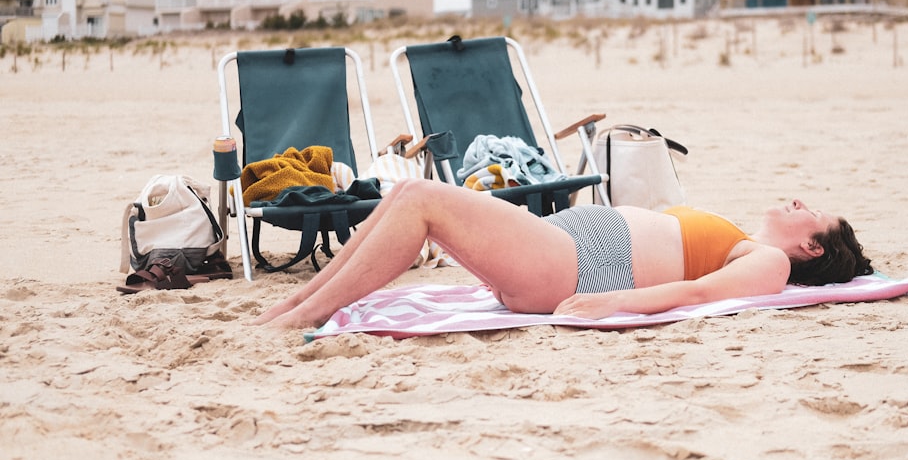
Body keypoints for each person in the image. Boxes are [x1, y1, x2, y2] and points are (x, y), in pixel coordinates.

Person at [254, 178, 872, 329]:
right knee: (405, 196)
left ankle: (304, 315)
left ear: (812, 245)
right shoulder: (744, 239)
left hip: (574, 269)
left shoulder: (774, 263)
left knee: (419, 198)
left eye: (809, 212)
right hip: (562, 251)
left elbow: (696, 296)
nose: (796, 202)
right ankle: (298, 300)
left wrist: (609, 306)